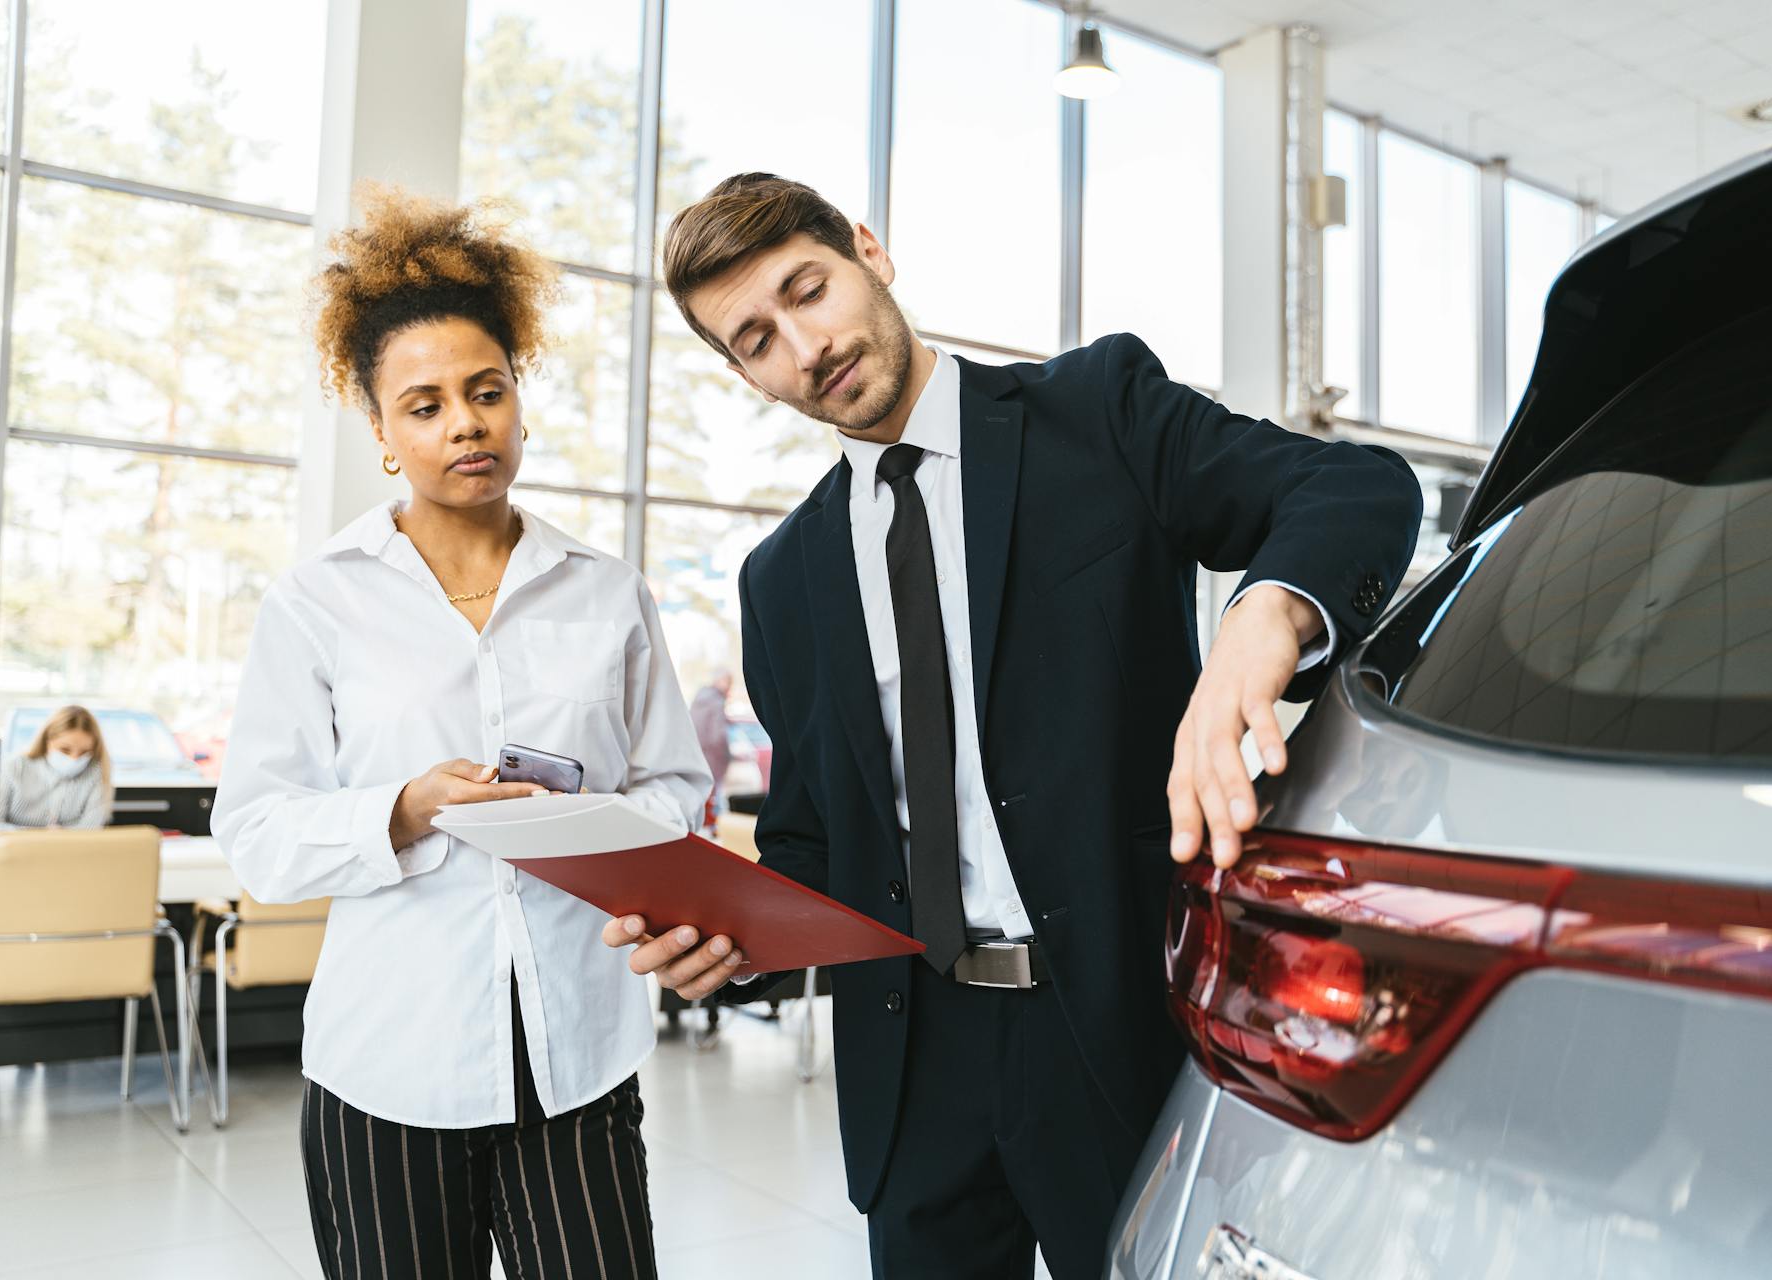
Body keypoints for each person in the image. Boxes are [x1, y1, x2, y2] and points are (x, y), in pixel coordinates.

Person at [601, 173, 1423, 1278]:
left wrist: (1260, 620)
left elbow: (1355, 487)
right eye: (756, 338)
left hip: (1115, 1029)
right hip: (914, 1061)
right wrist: (728, 936)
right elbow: (815, 843)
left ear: (868, 251)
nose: (805, 345)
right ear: (743, 372)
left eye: (808, 289)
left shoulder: (1097, 412)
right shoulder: (783, 577)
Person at [212, 189, 712, 1280]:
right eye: (425, 404)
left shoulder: (607, 593)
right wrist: (405, 807)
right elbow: (254, 826)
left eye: (486, 393)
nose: (465, 425)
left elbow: (679, 787)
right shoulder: (317, 602)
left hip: (577, 1054)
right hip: (391, 1061)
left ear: (519, 402)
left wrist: (601, 829)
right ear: (384, 430)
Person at [0, 705, 113, 828]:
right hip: (14, 846)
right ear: (47, 741)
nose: (74, 759)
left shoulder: (96, 774)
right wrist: (38, 837)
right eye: (65, 750)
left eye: (84, 752)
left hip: (71, 847)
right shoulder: (14, 767)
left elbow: (90, 831)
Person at [689, 669, 734, 813]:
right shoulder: (716, 702)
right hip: (713, 761)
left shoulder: (698, 699)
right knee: (714, 804)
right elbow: (718, 736)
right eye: (729, 682)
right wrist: (728, 757)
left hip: (696, 757)